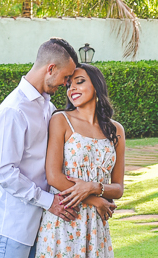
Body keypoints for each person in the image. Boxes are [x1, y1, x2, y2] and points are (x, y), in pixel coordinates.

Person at [0, 38, 82, 258]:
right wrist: (49, 202)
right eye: (66, 77)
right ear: (50, 69)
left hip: (44, 225)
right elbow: (3, 172)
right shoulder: (13, 111)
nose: (67, 83)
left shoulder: (47, 106)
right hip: (16, 226)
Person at [34, 63, 126, 258]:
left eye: (80, 82)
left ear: (96, 86)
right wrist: (95, 200)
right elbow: (53, 176)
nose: (72, 88)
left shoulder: (116, 130)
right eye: (68, 85)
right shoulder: (60, 120)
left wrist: (93, 187)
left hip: (95, 226)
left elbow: (118, 189)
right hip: (65, 218)